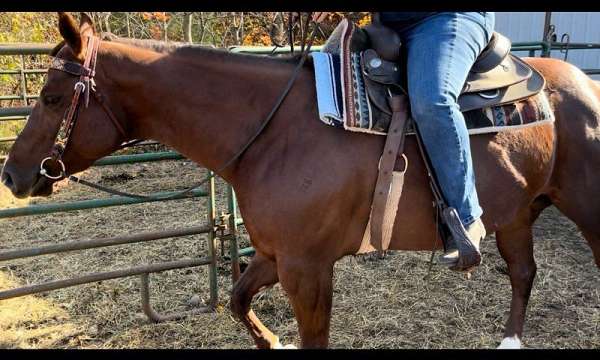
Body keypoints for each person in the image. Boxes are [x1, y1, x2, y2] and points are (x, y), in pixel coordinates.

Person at [313, 12, 495, 269]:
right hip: (388, 25)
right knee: (319, 79)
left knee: (432, 102)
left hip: (444, 18)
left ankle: (467, 219)